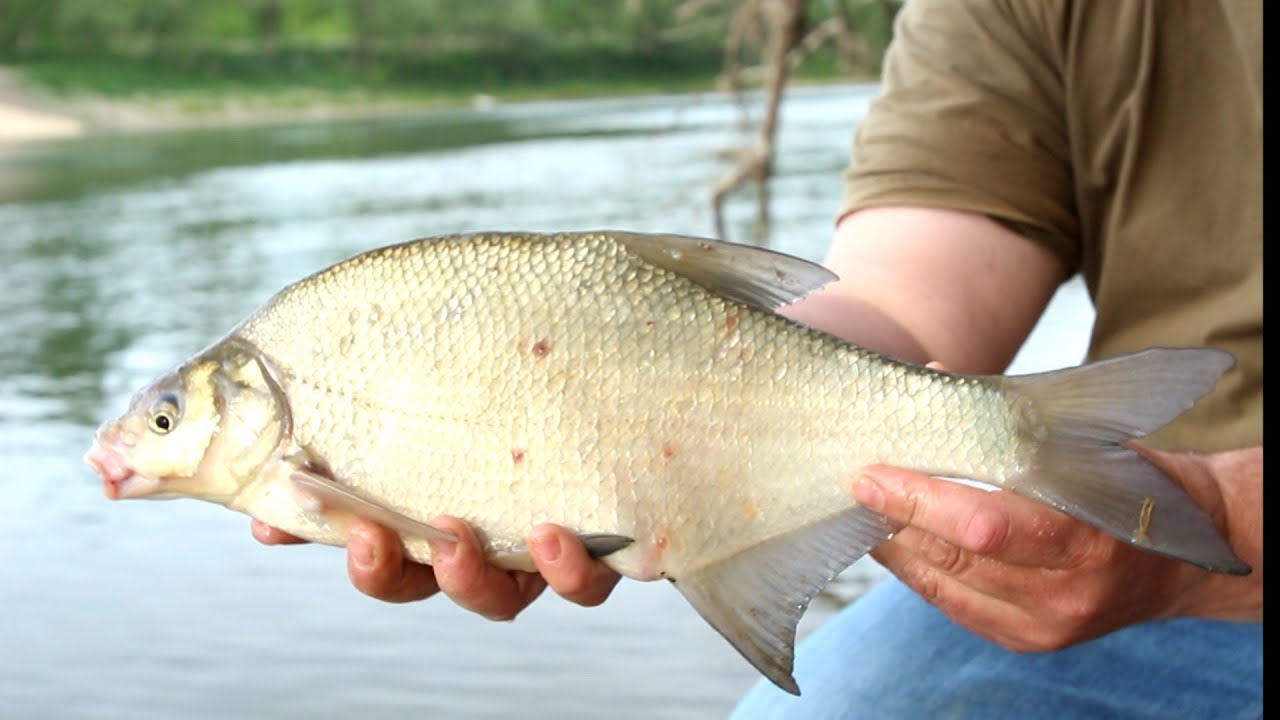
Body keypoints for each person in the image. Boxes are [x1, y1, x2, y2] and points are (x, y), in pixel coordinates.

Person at [254, 0, 1262, 716]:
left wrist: (1225, 527)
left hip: (1188, 545)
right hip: (1148, 537)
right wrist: (646, 417)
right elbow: (901, 314)